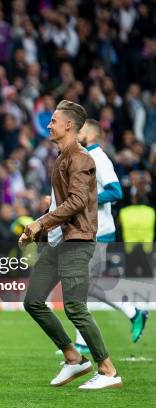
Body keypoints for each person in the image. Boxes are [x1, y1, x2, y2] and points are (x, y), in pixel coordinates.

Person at [20, 100, 122, 389]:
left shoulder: (80, 158)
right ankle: (73, 357)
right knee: (33, 301)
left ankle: (108, 371)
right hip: (58, 240)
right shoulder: (63, 156)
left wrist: (42, 222)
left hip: (77, 241)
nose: (48, 124)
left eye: (53, 120)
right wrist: (38, 229)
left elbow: (78, 202)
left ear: (69, 126)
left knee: (76, 307)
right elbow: (61, 204)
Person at [72, 119, 148, 351]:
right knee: (83, 285)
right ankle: (82, 342)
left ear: (92, 135)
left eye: (82, 130)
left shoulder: (99, 158)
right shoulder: (88, 157)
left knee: (83, 284)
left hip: (100, 231)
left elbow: (115, 191)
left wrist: (86, 200)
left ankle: (133, 312)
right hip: (91, 229)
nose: (78, 133)